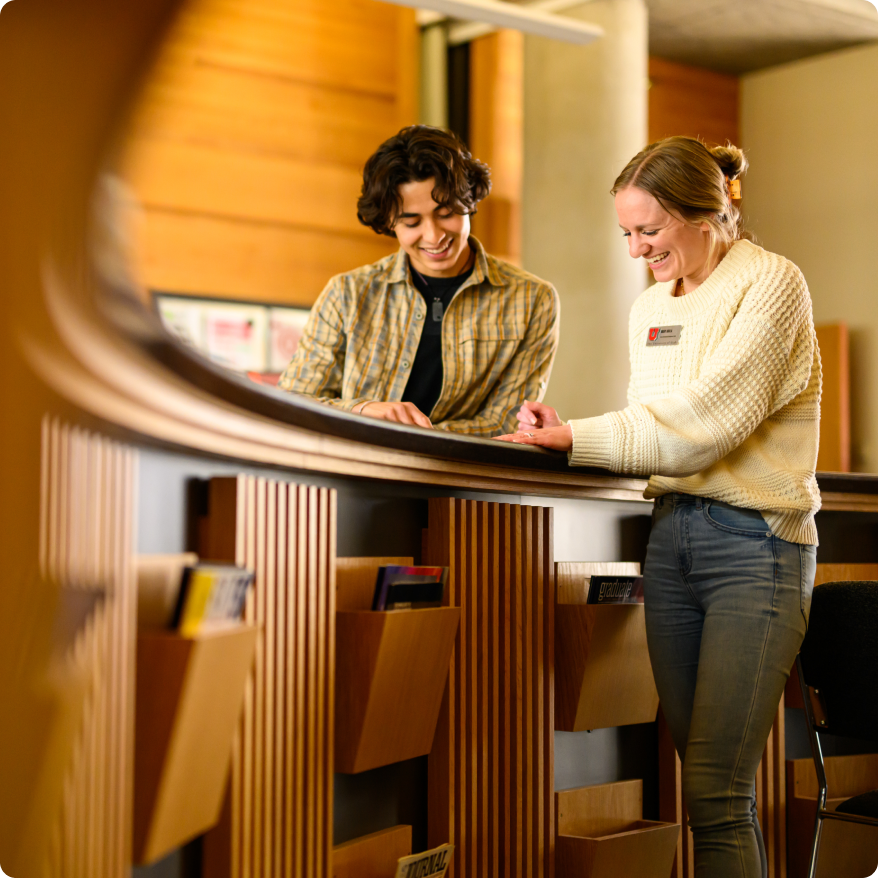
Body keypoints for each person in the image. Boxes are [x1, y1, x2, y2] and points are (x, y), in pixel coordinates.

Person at [499, 136, 820, 878]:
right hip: (670, 539)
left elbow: (705, 423)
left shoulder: (770, 283)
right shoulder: (649, 304)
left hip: (757, 547)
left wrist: (578, 435)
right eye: (628, 234)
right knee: (698, 781)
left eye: (651, 231)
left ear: (705, 215)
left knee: (716, 792)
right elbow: (655, 423)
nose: (638, 250)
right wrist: (571, 432)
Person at [279, 125, 560, 437]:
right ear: (389, 222)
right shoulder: (347, 294)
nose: (434, 235)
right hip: (355, 478)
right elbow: (293, 402)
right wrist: (365, 410)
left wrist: (415, 437)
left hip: (463, 480)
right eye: (411, 222)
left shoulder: (532, 299)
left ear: (468, 201)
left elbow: (506, 422)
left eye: (446, 212)